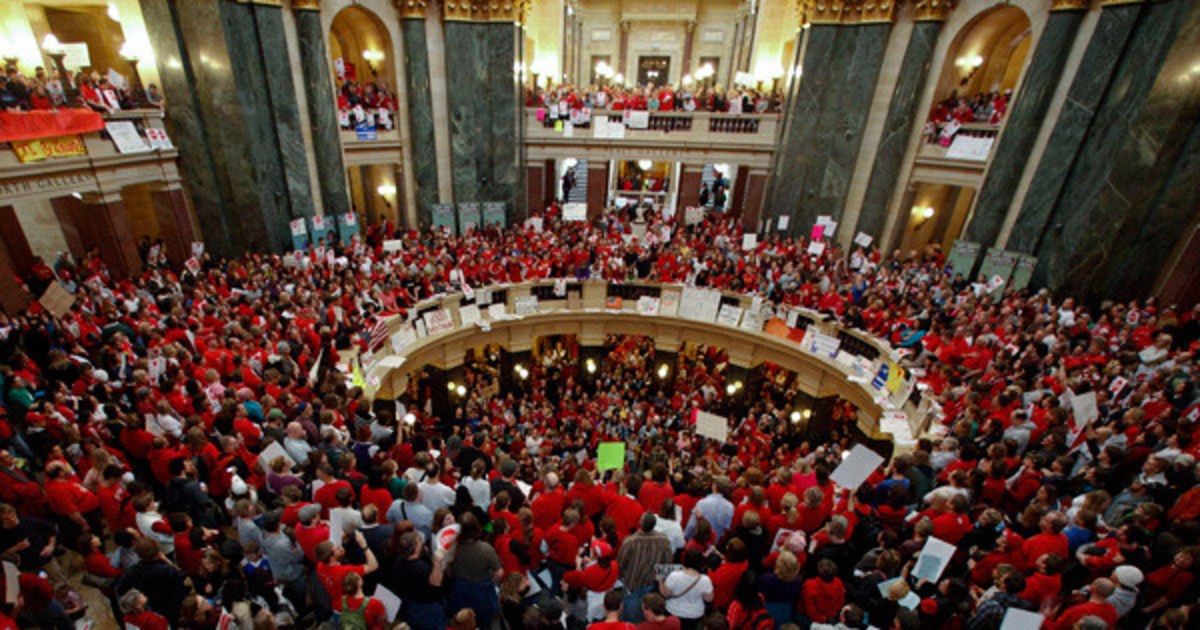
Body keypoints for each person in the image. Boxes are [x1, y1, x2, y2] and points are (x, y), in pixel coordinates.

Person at [660, 549, 713, 630]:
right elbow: (709, 599)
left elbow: (665, 593)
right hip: (694, 615)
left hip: (673, 611)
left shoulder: (674, 576)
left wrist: (660, 582)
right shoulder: (705, 580)